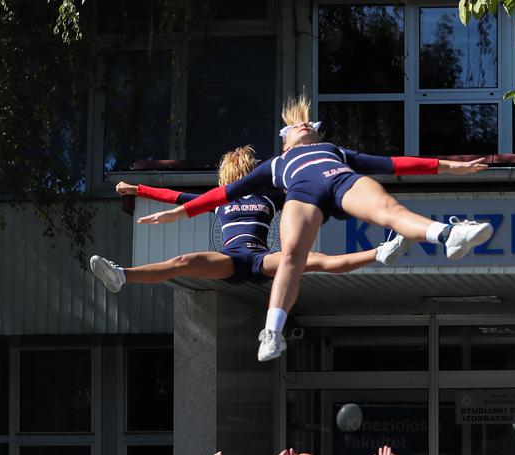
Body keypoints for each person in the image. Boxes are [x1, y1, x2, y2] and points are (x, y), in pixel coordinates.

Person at [138, 96, 493, 361]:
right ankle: (272, 332)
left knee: (390, 210)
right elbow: (224, 193)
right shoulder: (276, 165)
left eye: (310, 124)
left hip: (343, 182)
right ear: (285, 140)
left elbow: (394, 163)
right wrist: (178, 213)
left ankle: (448, 235)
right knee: (293, 255)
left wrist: (448, 166)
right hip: (303, 196)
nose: (305, 125)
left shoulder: (336, 151)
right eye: (297, 125)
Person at [90, 145, 407, 293]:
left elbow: (314, 194)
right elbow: (174, 196)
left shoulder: (270, 196)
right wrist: (137, 189)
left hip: (259, 259)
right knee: (182, 261)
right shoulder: (219, 202)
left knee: (312, 260)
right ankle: (121, 276)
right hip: (230, 259)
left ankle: (379, 253)